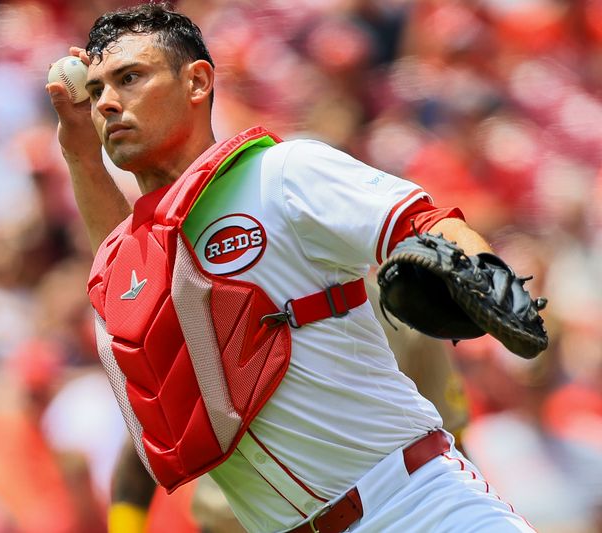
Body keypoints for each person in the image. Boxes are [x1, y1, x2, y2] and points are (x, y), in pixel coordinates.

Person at [46, 3, 537, 532]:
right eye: (96, 91)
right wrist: (78, 153)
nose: (109, 103)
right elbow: (123, 276)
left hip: (415, 507)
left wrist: (482, 267)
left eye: (130, 78)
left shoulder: (280, 172)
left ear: (197, 82)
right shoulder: (144, 247)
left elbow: (424, 221)